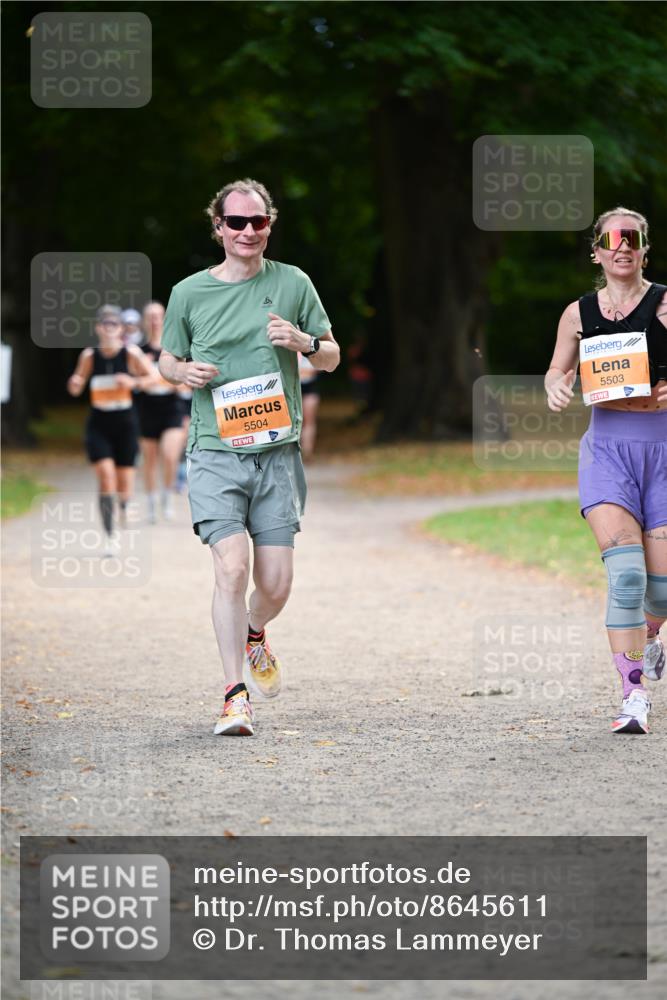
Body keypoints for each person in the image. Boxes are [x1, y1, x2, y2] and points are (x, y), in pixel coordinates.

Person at [159, 178, 339, 736]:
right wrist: (182, 373)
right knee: (232, 567)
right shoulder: (188, 292)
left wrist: (305, 344)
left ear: (269, 224)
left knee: (277, 584)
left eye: (257, 222)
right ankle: (234, 695)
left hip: (277, 455)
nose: (247, 231)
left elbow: (331, 357)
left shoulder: (293, 283)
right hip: (215, 451)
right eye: (235, 222)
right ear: (218, 228)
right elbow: (166, 359)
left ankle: (255, 629)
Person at [546, 207, 667, 734]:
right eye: (611, 239)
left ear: (644, 248)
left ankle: (650, 636)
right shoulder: (577, 313)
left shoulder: (665, 305)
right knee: (627, 577)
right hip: (608, 453)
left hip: (662, 451)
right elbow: (558, 367)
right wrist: (555, 383)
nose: (622, 247)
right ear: (596, 250)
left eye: (632, 238)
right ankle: (633, 695)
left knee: (660, 591)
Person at [66, 305, 154, 554]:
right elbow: (76, 385)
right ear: (97, 328)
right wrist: (75, 383)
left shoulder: (131, 354)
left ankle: (124, 506)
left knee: (125, 485)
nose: (109, 329)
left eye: (114, 324)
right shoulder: (89, 356)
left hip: (125, 424)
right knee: (106, 479)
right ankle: (110, 536)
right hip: (99, 425)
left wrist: (133, 382)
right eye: (105, 324)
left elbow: (154, 378)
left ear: (121, 330)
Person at [137, 301, 189, 522]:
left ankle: (167, 495)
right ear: (144, 321)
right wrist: (157, 380)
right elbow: (136, 383)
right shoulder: (137, 351)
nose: (154, 320)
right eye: (150, 316)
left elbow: (184, 382)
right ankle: (150, 502)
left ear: (165, 318)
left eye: (158, 316)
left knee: (169, 455)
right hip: (146, 409)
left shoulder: (175, 347)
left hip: (172, 409)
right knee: (149, 460)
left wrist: (154, 380)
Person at [298, 351, 320, 460]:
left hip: (310, 389)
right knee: (297, 421)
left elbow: (313, 371)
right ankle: (297, 452)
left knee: (309, 421)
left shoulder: (310, 349)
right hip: (295, 390)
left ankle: (307, 452)